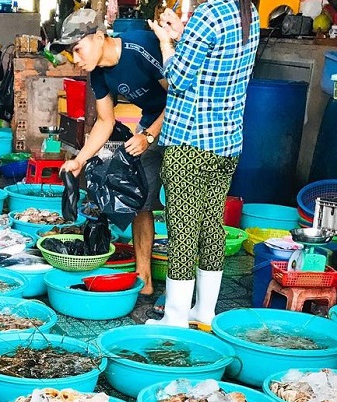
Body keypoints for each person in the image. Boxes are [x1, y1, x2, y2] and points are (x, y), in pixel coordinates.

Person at [147, 0, 258, 328]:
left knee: (182, 230)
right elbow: (214, 62)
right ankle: (204, 311)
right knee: (211, 226)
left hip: (190, 140)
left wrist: (167, 43)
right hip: (226, 142)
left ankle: (176, 317)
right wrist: (183, 36)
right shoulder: (246, 11)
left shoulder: (208, 13)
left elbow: (179, 79)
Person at [56, 9, 167, 296]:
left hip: (184, 125)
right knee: (141, 198)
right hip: (151, 122)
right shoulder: (99, 76)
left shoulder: (141, 47)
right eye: (71, 55)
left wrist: (149, 135)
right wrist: (80, 160)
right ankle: (144, 278)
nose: (77, 61)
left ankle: (180, 289)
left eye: (77, 50)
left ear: (99, 35)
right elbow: (105, 121)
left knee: (181, 210)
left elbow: (181, 96)